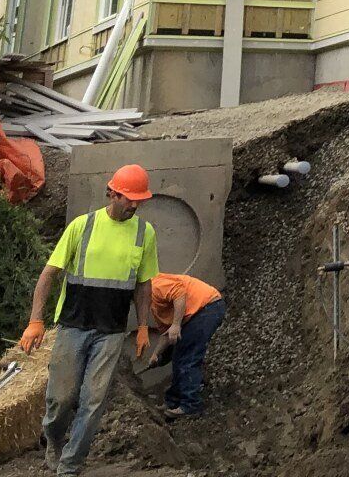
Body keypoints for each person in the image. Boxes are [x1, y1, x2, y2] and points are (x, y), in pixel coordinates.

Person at [20, 164, 159, 477]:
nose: (134, 205)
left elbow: (144, 283)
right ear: (112, 193)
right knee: (60, 399)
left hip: (110, 331)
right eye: (128, 198)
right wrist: (35, 320)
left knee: (93, 402)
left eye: (139, 199)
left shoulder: (144, 233)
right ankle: (54, 438)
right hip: (73, 325)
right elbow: (49, 274)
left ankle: (69, 466)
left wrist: (142, 326)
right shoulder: (82, 226)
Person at [147, 272, 226, 417]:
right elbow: (166, 333)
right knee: (178, 356)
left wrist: (176, 325)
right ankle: (173, 401)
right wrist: (156, 355)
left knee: (188, 357)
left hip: (207, 307)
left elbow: (179, 292)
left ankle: (191, 404)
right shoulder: (154, 307)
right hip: (198, 313)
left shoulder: (154, 285)